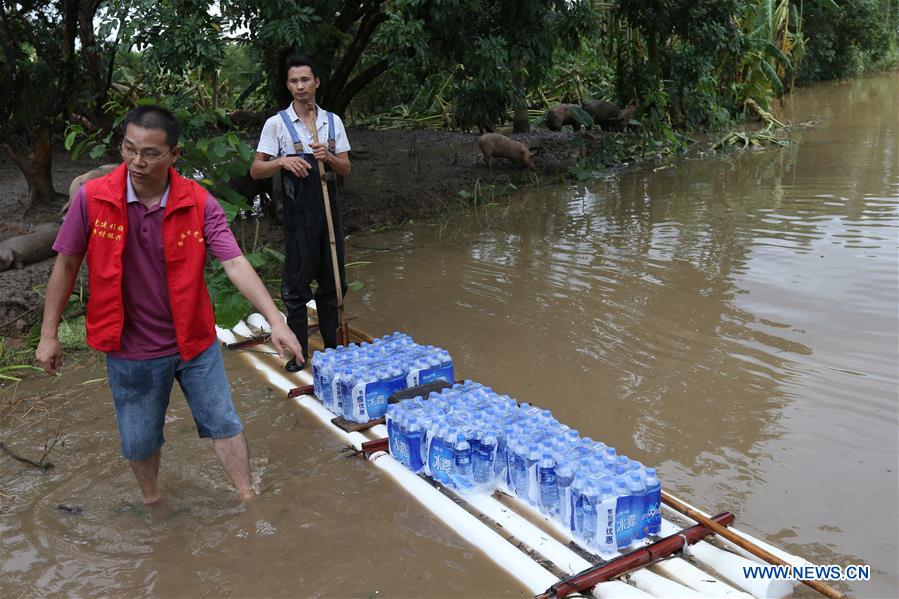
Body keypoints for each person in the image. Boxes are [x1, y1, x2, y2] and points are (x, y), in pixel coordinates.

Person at [35, 105, 303, 504]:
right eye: (129, 149)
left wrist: (275, 320)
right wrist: (48, 334)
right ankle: (153, 502)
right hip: (130, 347)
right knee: (139, 440)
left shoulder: (198, 202)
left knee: (223, 422)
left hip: (194, 341)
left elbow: (234, 262)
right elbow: (67, 263)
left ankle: (248, 499)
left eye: (151, 153)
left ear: (174, 155)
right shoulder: (93, 199)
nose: (137, 162)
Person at [250, 56, 351, 372]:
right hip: (297, 218)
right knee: (295, 287)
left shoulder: (332, 122)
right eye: (294, 81)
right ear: (288, 85)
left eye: (305, 80)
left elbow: (347, 167)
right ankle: (298, 353)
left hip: (329, 217)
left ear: (316, 82)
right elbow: (256, 170)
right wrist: (281, 162)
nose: (300, 87)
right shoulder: (277, 124)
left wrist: (329, 157)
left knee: (333, 284)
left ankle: (335, 351)